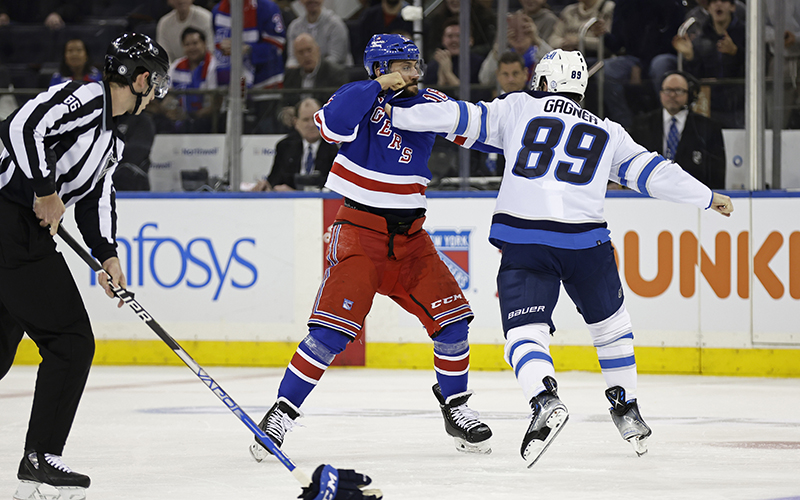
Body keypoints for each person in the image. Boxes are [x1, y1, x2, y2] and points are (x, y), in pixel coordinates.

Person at [387, 49, 734, 466]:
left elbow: (454, 116)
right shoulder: (609, 131)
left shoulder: (519, 106)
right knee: (612, 330)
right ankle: (627, 408)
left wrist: (396, 108)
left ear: (545, 82)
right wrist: (708, 197)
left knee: (524, 333)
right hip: (588, 244)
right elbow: (655, 173)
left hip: (527, 240)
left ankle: (544, 399)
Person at [249, 34, 494, 463]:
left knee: (454, 323)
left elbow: (481, 132)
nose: (416, 73)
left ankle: (456, 408)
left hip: (412, 239)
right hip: (359, 232)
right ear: (381, 69)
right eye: (406, 65)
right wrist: (380, 87)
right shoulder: (357, 97)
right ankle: (281, 413)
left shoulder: (429, 102)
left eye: (417, 65)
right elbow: (329, 127)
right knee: (329, 334)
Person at [0, 33, 169, 498]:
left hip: (20, 230)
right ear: (139, 80)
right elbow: (19, 128)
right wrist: (46, 191)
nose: (156, 94)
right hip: (9, 223)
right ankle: (41, 456)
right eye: (155, 84)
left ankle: (39, 455)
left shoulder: (111, 140)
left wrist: (107, 254)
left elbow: (97, 199)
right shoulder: (82, 99)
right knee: (71, 342)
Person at [598, 0, 685, 129]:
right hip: (632, 59)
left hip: (665, 55)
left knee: (659, 65)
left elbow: (671, 41)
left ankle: (666, 121)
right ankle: (625, 125)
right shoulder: (624, 4)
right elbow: (618, 44)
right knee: (607, 69)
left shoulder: (672, 4)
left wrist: (641, 67)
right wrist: (604, 35)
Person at [632, 71, 726, 189]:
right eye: (668, 90)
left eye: (678, 90)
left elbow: (717, 175)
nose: (672, 95)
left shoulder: (708, 128)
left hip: (692, 198)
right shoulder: (642, 124)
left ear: (690, 95)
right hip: (650, 196)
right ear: (660, 93)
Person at [672, 0, 745, 128]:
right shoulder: (700, 40)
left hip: (741, 106)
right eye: (713, 2)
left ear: (732, 7)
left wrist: (736, 53)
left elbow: (758, 70)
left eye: (723, 1)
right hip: (712, 107)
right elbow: (695, 79)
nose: (718, 5)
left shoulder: (747, 34)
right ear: (708, 8)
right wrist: (690, 57)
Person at [252, 97, 337, 191]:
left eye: (315, 119)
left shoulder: (336, 147)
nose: (311, 125)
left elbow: (337, 186)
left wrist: (296, 193)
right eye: (306, 120)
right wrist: (267, 186)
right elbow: (275, 181)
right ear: (296, 122)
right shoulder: (285, 146)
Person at [280, 33, 347, 126]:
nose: (306, 55)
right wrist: (285, 113)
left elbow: (338, 105)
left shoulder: (335, 73)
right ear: (295, 56)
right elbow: (284, 104)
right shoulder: (291, 76)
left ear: (318, 50)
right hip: (299, 127)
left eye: (309, 50)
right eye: (301, 52)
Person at [163, 27, 221, 133]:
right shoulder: (176, 65)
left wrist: (189, 116)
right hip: (180, 119)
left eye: (195, 43)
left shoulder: (213, 65)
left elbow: (214, 103)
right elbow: (169, 95)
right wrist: (170, 109)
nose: (191, 48)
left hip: (205, 120)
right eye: (187, 44)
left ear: (204, 44)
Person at [285, 0, 352, 68]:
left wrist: (312, 68)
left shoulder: (335, 25)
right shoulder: (294, 27)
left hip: (334, 73)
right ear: (300, 1)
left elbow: (336, 58)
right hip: (305, 73)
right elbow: (292, 58)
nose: (311, 1)